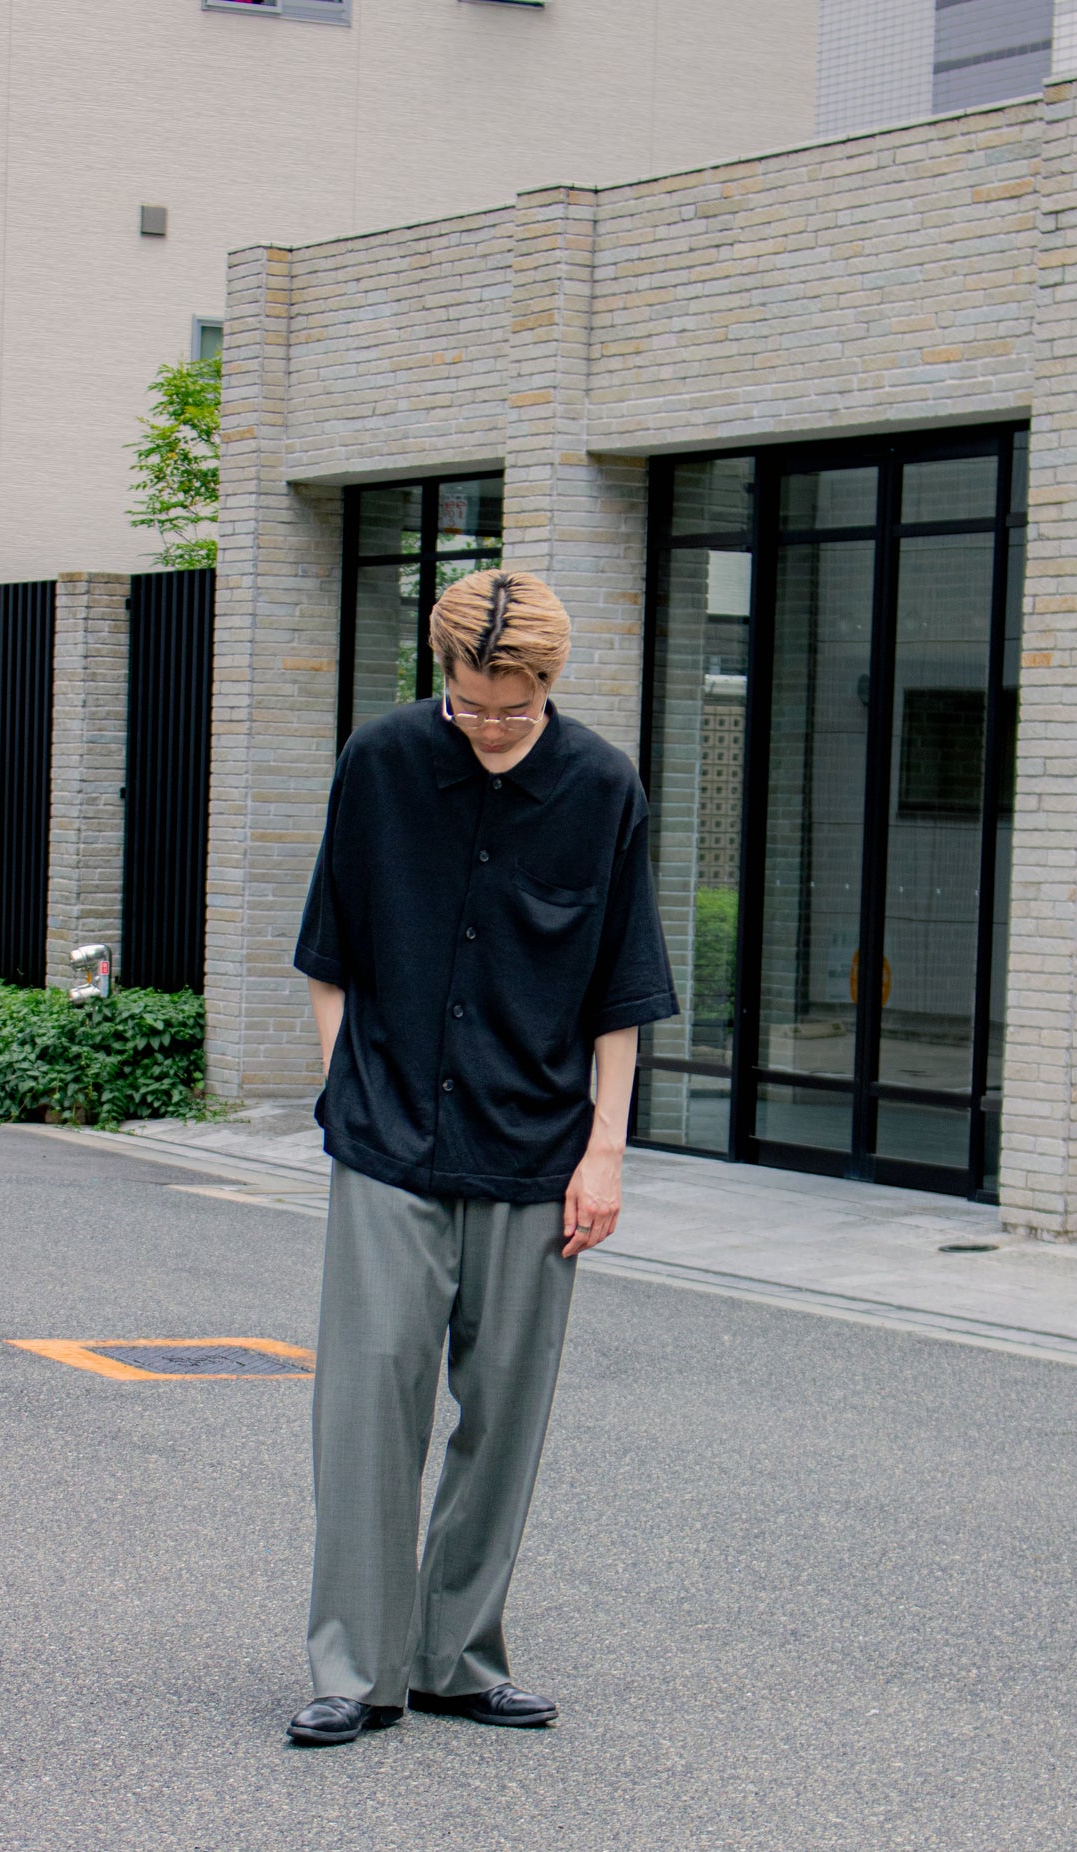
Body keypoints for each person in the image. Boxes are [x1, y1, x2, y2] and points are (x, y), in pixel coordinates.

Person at [286, 568, 677, 1746]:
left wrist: (604, 1154)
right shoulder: (381, 763)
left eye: (513, 708)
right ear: (442, 675)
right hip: (388, 1138)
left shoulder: (600, 786)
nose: (490, 727)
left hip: (535, 1144)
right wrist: (345, 1086)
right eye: (469, 705)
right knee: (368, 1402)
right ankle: (354, 1671)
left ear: (547, 683)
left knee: (502, 1414)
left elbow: (620, 990)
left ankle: (456, 1657)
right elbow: (331, 949)